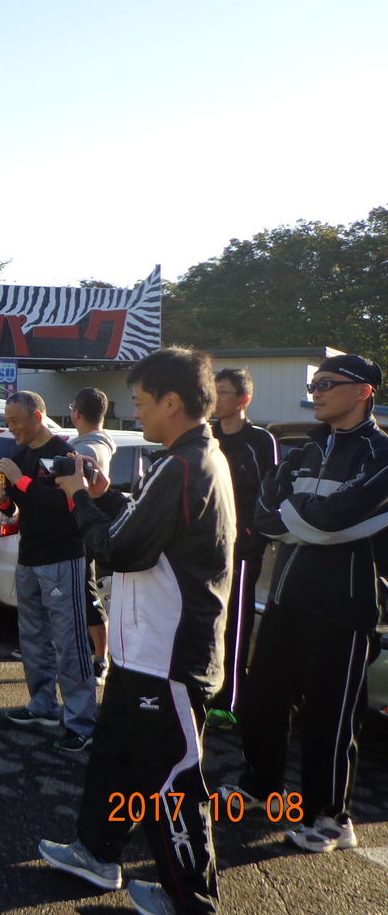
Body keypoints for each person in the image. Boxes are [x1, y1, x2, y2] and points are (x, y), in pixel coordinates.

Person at [38, 346, 234, 915]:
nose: (136, 411)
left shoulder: (184, 465)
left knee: (173, 780)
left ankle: (191, 898)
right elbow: (144, 528)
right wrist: (104, 495)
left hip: (167, 656)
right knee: (114, 761)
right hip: (139, 652)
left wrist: (78, 498)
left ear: (172, 402)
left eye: (142, 402)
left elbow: (119, 550)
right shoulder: (189, 459)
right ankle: (96, 853)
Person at [221, 354, 386, 854]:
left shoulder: (381, 453)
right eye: (314, 385)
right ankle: (260, 786)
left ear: (364, 391)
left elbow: (332, 519)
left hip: (345, 606)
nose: (316, 393)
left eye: (327, 384)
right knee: (263, 699)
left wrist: (298, 517)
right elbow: (262, 515)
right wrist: (307, 519)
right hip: (286, 597)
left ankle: (331, 818)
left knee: (330, 716)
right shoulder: (303, 450)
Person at [0, 391, 96, 752]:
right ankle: (43, 704)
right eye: (8, 421)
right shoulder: (21, 455)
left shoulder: (64, 455)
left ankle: (82, 722)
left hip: (62, 558)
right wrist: (4, 500)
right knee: (33, 638)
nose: (11, 428)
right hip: (29, 557)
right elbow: (19, 509)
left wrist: (20, 481)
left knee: (69, 642)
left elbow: (65, 505)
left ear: (37, 417)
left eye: (15, 420)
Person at [206, 368, 278, 728]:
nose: (216, 399)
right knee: (205, 620)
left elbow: (271, 491)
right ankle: (203, 690)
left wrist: (251, 535)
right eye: (213, 391)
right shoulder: (207, 435)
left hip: (243, 549)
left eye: (223, 392)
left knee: (235, 623)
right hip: (205, 545)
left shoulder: (259, 440)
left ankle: (230, 701)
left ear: (243, 399)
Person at [69, 387, 116, 683]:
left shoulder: (85, 450)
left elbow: (76, 492)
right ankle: (97, 657)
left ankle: (100, 659)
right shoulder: (100, 444)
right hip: (93, 528)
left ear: (76, 413)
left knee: (90, 597)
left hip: (84, 530)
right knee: (89, 595)